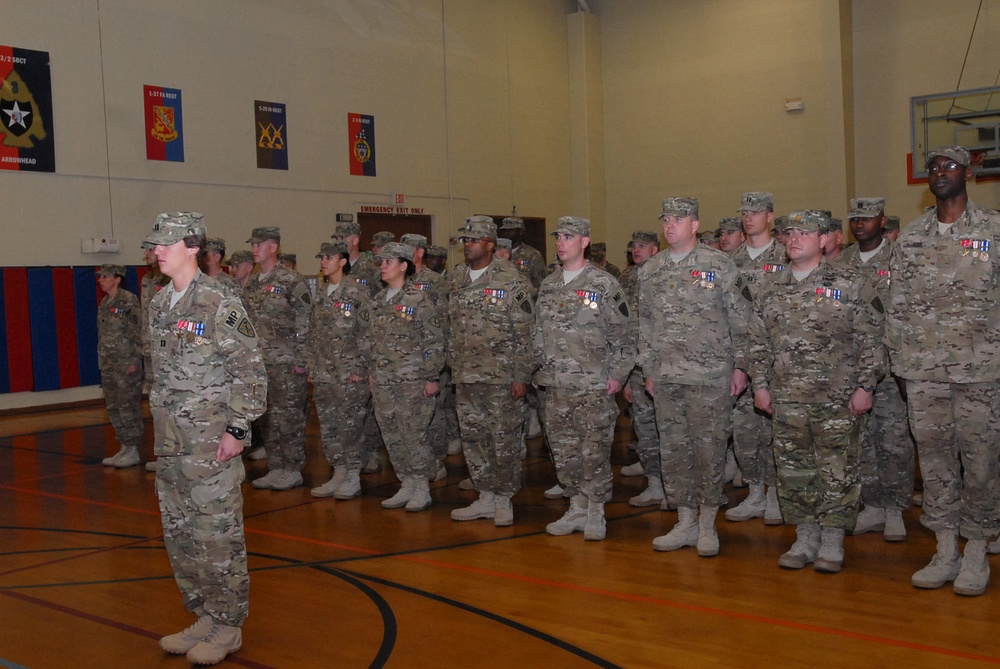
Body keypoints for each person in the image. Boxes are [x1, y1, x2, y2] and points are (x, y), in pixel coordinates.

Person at [145, 211, 266, 666]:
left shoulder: (219, 300)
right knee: (180, 535)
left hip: (211, 443)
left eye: (166, 242)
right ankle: (203, 614)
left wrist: (239, 428)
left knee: (217, 536)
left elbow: (251, 369)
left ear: (192, 247)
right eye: (155, 243)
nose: (157, 250)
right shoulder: (159, 304)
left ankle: (229, 624)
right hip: (171, 445)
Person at [888, 146, 1000, 596]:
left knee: (981, 463)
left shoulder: (993, 229)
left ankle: (976, 551)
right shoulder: (912, 238)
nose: (940, 173)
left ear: (967, 173)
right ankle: (945, 548)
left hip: (981, 372)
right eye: (933, 168)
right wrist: (900, 363)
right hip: (924, 373)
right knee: (934, 465)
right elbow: (897, 306)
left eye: (949, 166)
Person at [749, 209, 885, 574]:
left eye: (805, 233)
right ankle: (805, 536)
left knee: (837, 471)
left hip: (837, 398)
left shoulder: (851, 283)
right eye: (790, 232)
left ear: (824, 240)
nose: (795, 239)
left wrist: (865, 386)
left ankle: (831, 539)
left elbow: (872, 339)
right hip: (787, 398)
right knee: (794, 473)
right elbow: (758, 343)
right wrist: (760, 386)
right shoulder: (770, 287)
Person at [638, 198, 749, 556]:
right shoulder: (651, 270)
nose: (670, 225)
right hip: (667, 376)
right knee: (673, 452)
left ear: (695, 224)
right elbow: (645, 324)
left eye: (679, 219)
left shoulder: (719, 265)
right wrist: (649, 368)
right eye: (666, 219)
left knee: (709, 450)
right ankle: (684, 520)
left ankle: (707, 524)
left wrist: (741, 366)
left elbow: (741, 320)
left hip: (710, 376)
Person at [534, 216, 634, 541]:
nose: (561, 242)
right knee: (564, 452)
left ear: (584, 242)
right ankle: (575, 506)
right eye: (558, 236)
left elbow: (625, 335)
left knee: (593, 451)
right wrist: (537, 369)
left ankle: (595, 510)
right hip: (556, 385)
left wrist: (618, 376)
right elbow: (537, 332)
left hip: (593, 385)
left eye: (568, 237)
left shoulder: (604, 284)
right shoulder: (549, 285)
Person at [447, 216, 534, 526]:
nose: (467, 245)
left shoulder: (511, 280)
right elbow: (450, 325)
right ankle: (484, 496)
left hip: (501, 377)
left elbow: (525, 333)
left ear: (489, 244)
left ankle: (503, 499)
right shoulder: (457, 278)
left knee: (504, 439)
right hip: (466, 375)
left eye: (473, 240)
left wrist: (522, 376)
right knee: (473, 439)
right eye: (465, 240)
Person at [840, 197, 913, 542]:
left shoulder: (899, 258)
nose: (859, 224)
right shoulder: (841, 262)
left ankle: (896, 508)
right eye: (855, 218)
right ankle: (872, 505)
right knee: (861, 442)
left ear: (882, 221)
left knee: (894, 441)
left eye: (867, 218)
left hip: (891, 369)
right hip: (853, 369)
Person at [369, 241, 444, 512]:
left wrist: (431, 376)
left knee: (413, 433)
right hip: (383, 379)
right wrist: (371, 372)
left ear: (404, 266)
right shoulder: (378, 300)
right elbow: (372, 341)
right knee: (391, 432)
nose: (383, 266)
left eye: (389, 262)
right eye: (382, 262)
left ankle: (421, 485)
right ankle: (406, 482)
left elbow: (434, 340)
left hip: (412, 380)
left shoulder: (418, 299)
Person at [726, 192, 786, 525]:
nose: (749, 218)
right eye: (744, 212)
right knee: (744, 432)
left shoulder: (785, 256)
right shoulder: (730, 261)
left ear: (771, 216)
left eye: (756, 212)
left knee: (773, 431)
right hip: (738, 358)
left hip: (775, 359)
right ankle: (755, 492)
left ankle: (777, 495)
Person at [244, 226, 312, 491]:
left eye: (258, 245)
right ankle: (276, 466)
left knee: (289, 417)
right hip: (260, 363)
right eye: (252, 245)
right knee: (267, 417)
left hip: (287, 362)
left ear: (273, 247)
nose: (254, 249)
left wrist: (301, 359)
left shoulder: (291, 280)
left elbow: (305, 320)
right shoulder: (253, 281)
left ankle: (292, 468)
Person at [305, 241, 373, 499]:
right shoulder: (323, 294)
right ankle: (339, 472)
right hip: (324, 373)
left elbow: (368, 332)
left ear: (343, 261)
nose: (323, 261)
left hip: (349, 373)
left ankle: (353, 475)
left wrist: (360, 366)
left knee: (350, 425)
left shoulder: (356, 293)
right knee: (330, 425)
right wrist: (312, 365)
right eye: (321, 257)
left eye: (329, 257)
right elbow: (313, 333)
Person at [617, 230, 666, 507]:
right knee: (644, 427)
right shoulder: (625, 278)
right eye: (633, 245)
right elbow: (621, 327)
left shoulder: (663, 275)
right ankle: (654, 482)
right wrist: (624, 376)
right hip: (636, 366)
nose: (636, 250)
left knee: (671, 430)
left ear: (655, 249)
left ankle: (676, 486)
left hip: (663, 365)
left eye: (642, 246)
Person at [97, 264, 144, 468]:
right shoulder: (106, 302)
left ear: (117, 279)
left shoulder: (128, 300)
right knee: (114, 406)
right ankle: (124, 446)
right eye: (100, 277)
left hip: (126, 364)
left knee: (127, 406)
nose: (100, 280)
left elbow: (137, 330)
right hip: (109, 363)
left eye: (105, 276)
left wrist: (134, 360)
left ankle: (133, 449)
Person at [499, 216, 546, 297]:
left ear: (520, 232)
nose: (506, 233)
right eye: (504, 231)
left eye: (510, 230)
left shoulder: (532, 254)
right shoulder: (496, 254)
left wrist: (525, 294)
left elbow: (542, 285)